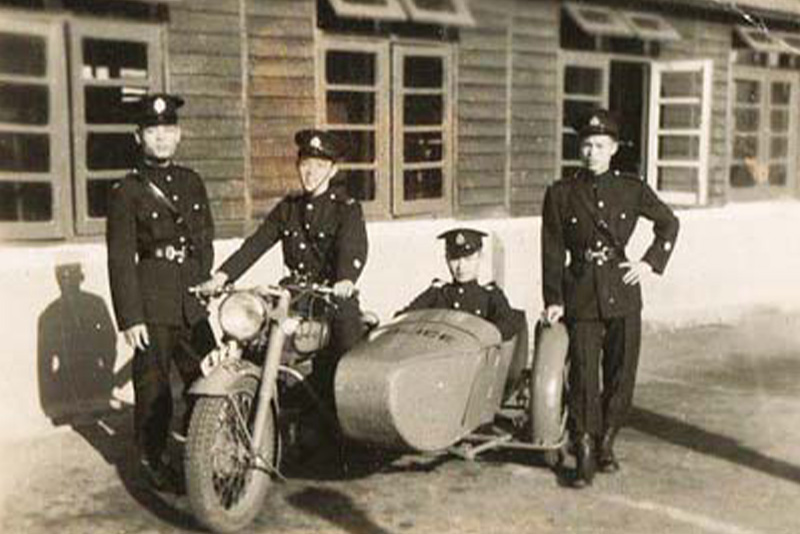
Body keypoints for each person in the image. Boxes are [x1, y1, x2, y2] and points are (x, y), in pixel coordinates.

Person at [540, 109, 679, 487]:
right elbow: (552, 248)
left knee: (621, 373)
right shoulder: (561, 193)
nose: (592, 153)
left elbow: (669, 222)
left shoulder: (632, 189)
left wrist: (649, 263)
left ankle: (607, 439)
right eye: (586, 145)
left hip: (622, 292)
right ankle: (583, 444)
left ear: (614, 149)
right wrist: (554, 298)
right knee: (584, 372)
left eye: (600, 145)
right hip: (581, 292)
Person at [195, 128, 368, 403]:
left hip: (332, 297)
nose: (310, 173)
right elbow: (255, 244)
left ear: (333, 170)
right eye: (306, 164)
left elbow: (353, 247)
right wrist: (221, 277)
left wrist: (346, 280)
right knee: (253, 341)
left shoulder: (346, 208)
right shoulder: (289, 208)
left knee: (348, 362)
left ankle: (348, 434)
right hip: (293, 295)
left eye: (319, 166)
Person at [106, 93, 216, 492]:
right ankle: (155, 462)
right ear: (140, 137)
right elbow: (120, 258)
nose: (161, 139)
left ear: (179, 134)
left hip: (191, 299)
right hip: (152, 301)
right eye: (153, 131)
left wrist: (204, 281)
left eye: (168, 130)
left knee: (209, 374)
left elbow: (205, 237)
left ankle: (202, 454)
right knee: (153, 388)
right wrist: (130, 316)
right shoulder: (127, 190)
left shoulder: (191, 182)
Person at [397, 228, 522, 342]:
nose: (461, 267)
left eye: (468, 259)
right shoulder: (437, 293)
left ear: (480, 257)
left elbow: (508, 324)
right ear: (446, 259)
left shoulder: (490, 296)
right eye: (454, 259)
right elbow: (404, 317)